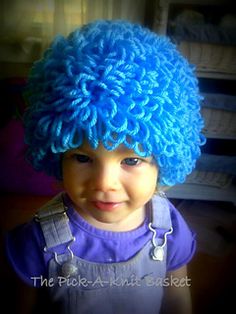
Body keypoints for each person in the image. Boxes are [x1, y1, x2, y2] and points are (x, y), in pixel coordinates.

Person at [3, 20, 205, 314]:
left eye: (131, 160)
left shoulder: (169, 228)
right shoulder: (39, 238)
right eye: (83, 158)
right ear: (57, 151)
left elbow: (177, 300)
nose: (104, 183)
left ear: (163, 160)